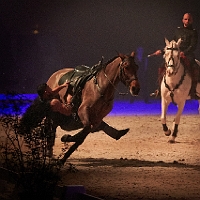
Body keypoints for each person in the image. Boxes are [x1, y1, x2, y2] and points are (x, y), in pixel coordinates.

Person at [150, 12, 199, 99]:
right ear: (182, 20)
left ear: (192, 21)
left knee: (195, 68)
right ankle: (159, 89)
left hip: (188, 54)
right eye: (185, 19)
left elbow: (193, 45)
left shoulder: (194, 32)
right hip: (176, 54)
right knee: (162, 67)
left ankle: (194, 90)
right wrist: (162, 51)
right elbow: (172, 44)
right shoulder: (178, 30)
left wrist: (184, 52)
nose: (187, 21)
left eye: (189, 19)